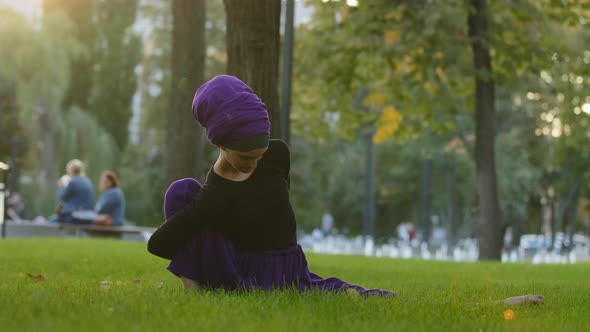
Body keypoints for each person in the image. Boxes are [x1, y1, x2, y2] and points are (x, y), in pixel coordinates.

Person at [148, 75, 544, 305]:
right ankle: (195, 295)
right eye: (244, 157)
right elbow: (159, 244)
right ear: (219, 142)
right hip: (241, 273)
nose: (255, 161)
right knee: (181, 193)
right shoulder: (212, 196)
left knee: (367, 298)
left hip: (289, 272)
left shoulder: (277, 157)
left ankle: (491, 306)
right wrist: (203, 207)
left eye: (260, 153)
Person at [50, 159, 94, 223]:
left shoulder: (73, 182)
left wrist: (61, 187)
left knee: (52, 220)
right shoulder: (88, 181)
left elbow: (62, 196)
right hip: (89, 215)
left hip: (77, 215)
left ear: (70, 170)